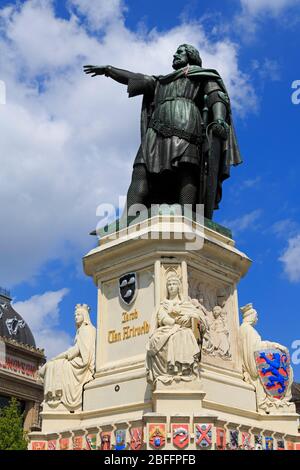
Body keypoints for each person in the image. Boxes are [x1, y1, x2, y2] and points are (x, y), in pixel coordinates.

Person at [84, 44, 242, 220]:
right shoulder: (161, 82)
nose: (175, 55)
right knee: (140, 171)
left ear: (191, 56)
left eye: (180, 52)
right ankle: (127, 219)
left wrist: (219, 119)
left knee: (186, 171)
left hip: (187, 125)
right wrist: (109, 70)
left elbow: (217, 97)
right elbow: (135, 78)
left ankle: (187, 215)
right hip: (156, 130)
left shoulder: (204, 76)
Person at [146, 272, 206, 384]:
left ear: (179, 287)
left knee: (185, 334)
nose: (171, 286)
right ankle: (170, 370)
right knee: (159, 338)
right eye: (169, 284)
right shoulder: (163, 304)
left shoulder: (185, 304)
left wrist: (179, 315)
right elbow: (163, 318)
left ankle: (183, 369)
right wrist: (176, 319)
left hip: (181, 329)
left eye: (174, 284)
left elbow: (197, 318)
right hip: (168, 328)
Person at [39, 304, 96, 410]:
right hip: (79, 360)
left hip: (82, 364)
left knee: (53, 366)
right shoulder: (83, 330)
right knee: (53, 364)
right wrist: (58, 357)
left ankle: (54, 398)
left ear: (84, 316)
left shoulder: (86, 330)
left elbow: (84, 356)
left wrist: (58, 358)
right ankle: (53, 398)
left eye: (78, 315)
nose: (76, 317)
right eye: (75, 315)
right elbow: (74, 350)